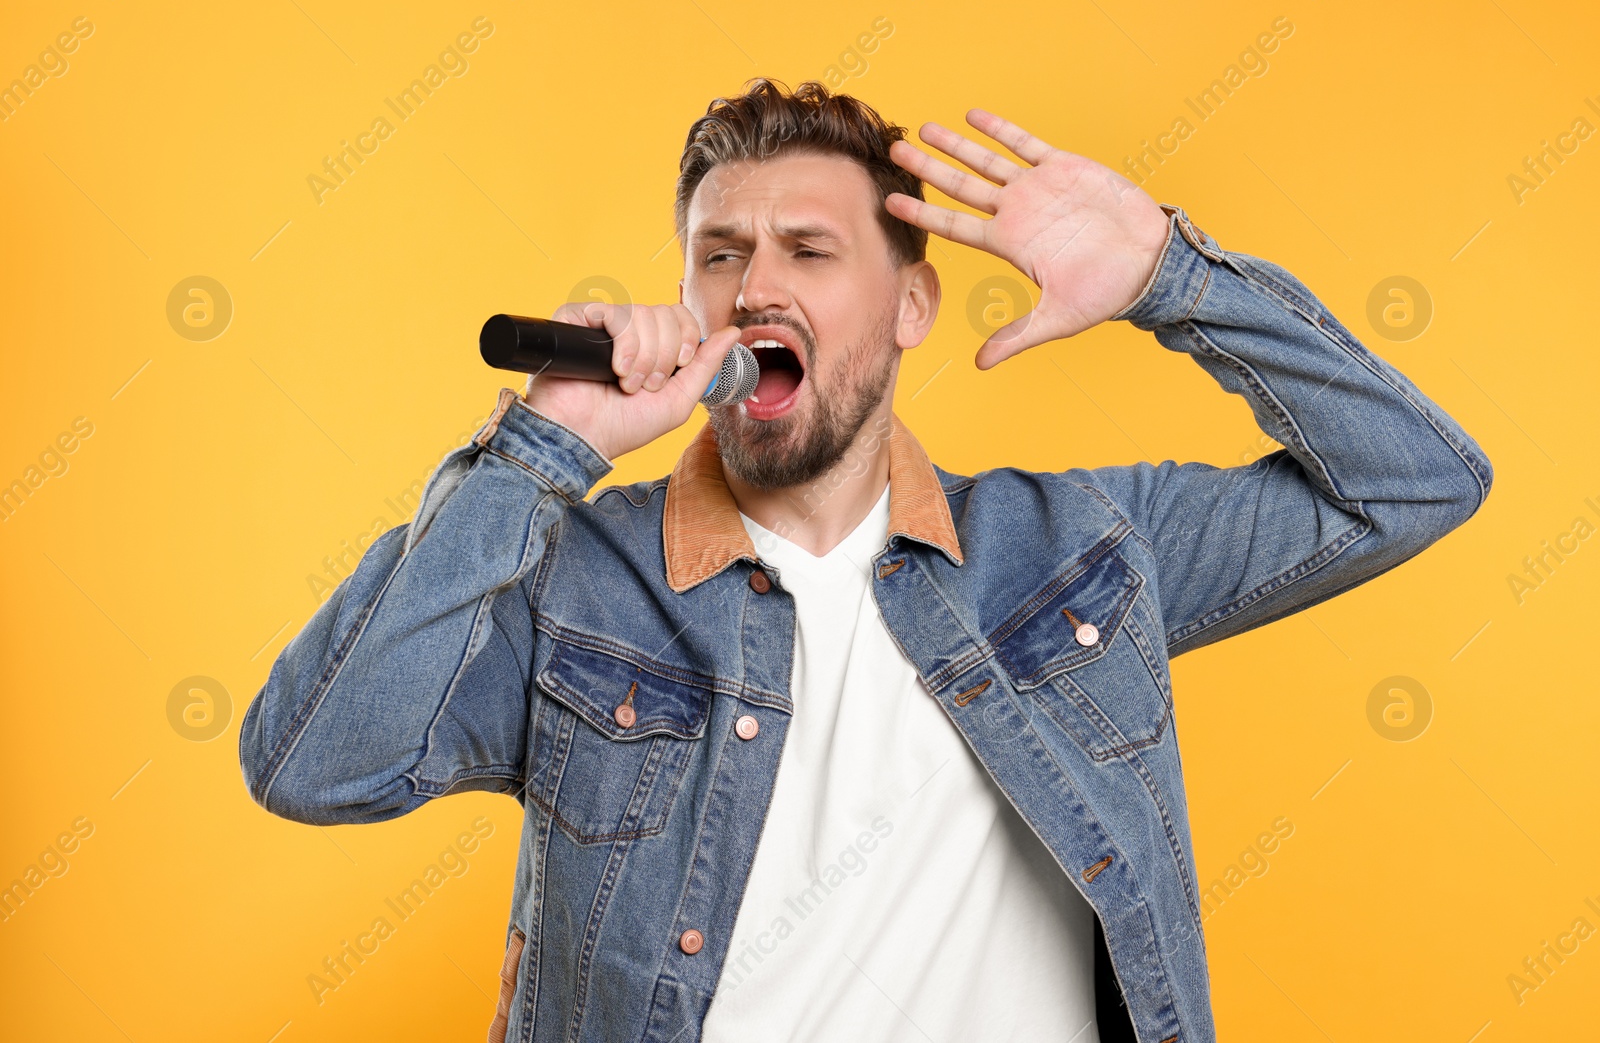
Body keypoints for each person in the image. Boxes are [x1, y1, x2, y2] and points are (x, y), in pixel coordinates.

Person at [239, 78, 1492, 1043]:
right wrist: (538, 448)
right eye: (720, 254)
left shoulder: (1085, 551)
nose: (754, 289)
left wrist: (1169, 274)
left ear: (910, 308)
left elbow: (1414, 478)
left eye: (809, 250)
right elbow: (310, 764)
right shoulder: (572, 578)